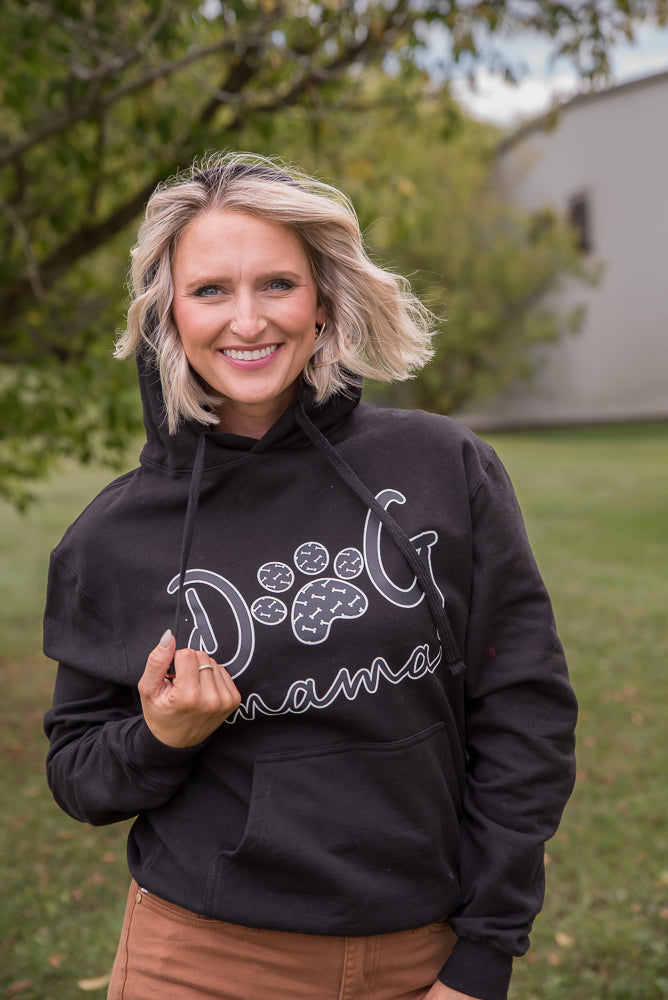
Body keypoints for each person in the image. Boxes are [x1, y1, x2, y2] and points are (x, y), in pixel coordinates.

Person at [43, 152, 577, 1000]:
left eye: (277, 284)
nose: (247, 319)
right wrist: (162, 738)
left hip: (421, 952)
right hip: (201, 960)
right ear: (167, 313)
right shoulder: (114, 537)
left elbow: (525, 712)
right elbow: (77, 775)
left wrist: (485, 954)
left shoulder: (442, 465)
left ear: (322, 299)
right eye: (210, 289)